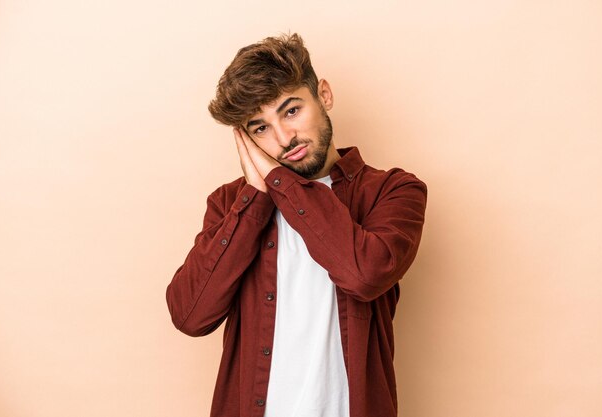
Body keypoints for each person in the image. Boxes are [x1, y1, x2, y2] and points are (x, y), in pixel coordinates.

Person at [165, 33, 427, 417]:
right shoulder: (228, 205)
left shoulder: (392, 191)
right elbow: (190, 316)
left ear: (324, 95)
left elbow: (364, 275)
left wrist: (277, 179)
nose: (285, 138)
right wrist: (255, 197)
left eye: (291, 111)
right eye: (260, 128)